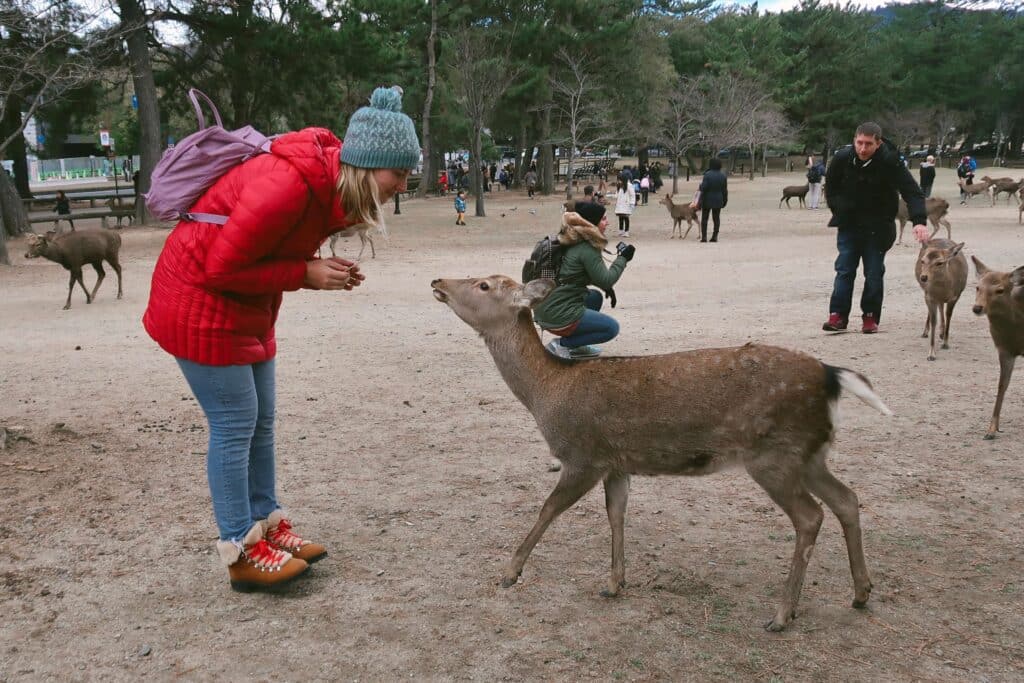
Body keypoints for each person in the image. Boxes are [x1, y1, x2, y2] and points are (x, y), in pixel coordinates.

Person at [142, 86, 420, 592]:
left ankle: (268, 526)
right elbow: (220, 266)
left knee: (261, 421)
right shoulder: (290, 184)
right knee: (234, 424)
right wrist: (305, 273)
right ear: (366, 163)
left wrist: (312, 269)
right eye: (397, 173)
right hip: (200, 304)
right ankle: (241, 550)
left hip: (247, 309)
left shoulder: (329, 187)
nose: (403, 184)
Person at [822, 122, 926, 334]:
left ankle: (870, 316)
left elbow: (912, 192)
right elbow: (830, 188)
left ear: (878, 143)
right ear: (854, 140)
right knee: (844, 270)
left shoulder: (890, 161)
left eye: (868, 144)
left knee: (874, 272)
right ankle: (838, 316)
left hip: (878, 227)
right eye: (859, 143)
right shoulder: (843, 158)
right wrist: (838, 209)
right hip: (849, 224)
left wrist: (919, 221)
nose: (862, 148)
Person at [532, 202, 634, 359]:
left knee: (594, 297)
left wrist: (605, 287)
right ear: (592, 222)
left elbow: (572, 274)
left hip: (545, 307)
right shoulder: (587, 248)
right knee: (611, 328)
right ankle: (562, 345)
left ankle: (576, 346)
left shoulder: (570, 239)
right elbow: (606, 280)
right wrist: (623, 258)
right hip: (557, 313)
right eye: (604, 219)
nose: (607, 223)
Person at [691, 158, 728, 242]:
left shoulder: (707, 174)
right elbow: (724, 190)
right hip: (718, 199)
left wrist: (700, 186)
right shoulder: (723, 175)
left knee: (705, 218)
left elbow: (703, 187)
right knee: (716, 218)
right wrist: (725, 200)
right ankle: (715, 236)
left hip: (707, 199)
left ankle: (704, 237)